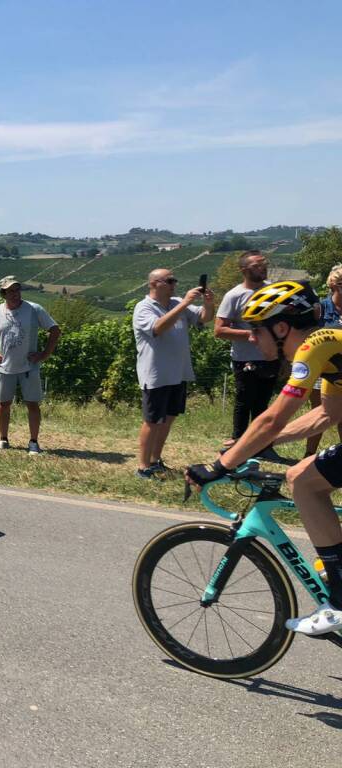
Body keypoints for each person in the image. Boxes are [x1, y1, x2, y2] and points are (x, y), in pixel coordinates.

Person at [186, 280, 342, 636]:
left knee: (302, 480)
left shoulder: (316, 345)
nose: (252, 338)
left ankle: (339, 602)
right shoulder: (333, 344)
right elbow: (327, 415)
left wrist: (217, 467)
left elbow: (273, 418)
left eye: (257, 330)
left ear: (282, 327)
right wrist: (252, 443)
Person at [132, 269, 215, 479]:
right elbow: (157, 328)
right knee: (152, 421)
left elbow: (204, 318)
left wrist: (208, 303)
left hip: (178, 373)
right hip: (156, 373)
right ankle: (143, 466)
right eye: (169, 280)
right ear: (154, 284)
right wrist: (185, 304)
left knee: (167, 419)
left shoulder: (176, 302)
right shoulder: (143, 308)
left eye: (174, 280)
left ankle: (155, 460)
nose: (174, 284)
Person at [0, 276, 60, 454]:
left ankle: (33, 442)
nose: (15, 294)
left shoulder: (34, 309)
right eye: (11, 291)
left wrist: (44, 354)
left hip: (29, 367)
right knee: (3, 404)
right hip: (4, 367)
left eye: (17, 289)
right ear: (3, 294)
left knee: (32, 404)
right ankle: (3, 439)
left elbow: (54, 330)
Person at [214, 250, 276, 443]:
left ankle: (262, 445)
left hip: (271, 357)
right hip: (245, 358)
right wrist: (251, 334)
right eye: (257, 265)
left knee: (263, 404)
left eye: (264, 263)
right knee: (245, 402)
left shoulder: (274, 290)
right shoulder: (234, 296)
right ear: (244, 270)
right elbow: (219, 330)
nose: (263, 268)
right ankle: (238, 443)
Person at [304, 263, 342, 455]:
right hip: (322, 369)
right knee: (319, 413)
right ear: (335, 286)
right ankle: (309, 455)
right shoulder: (321, 308)